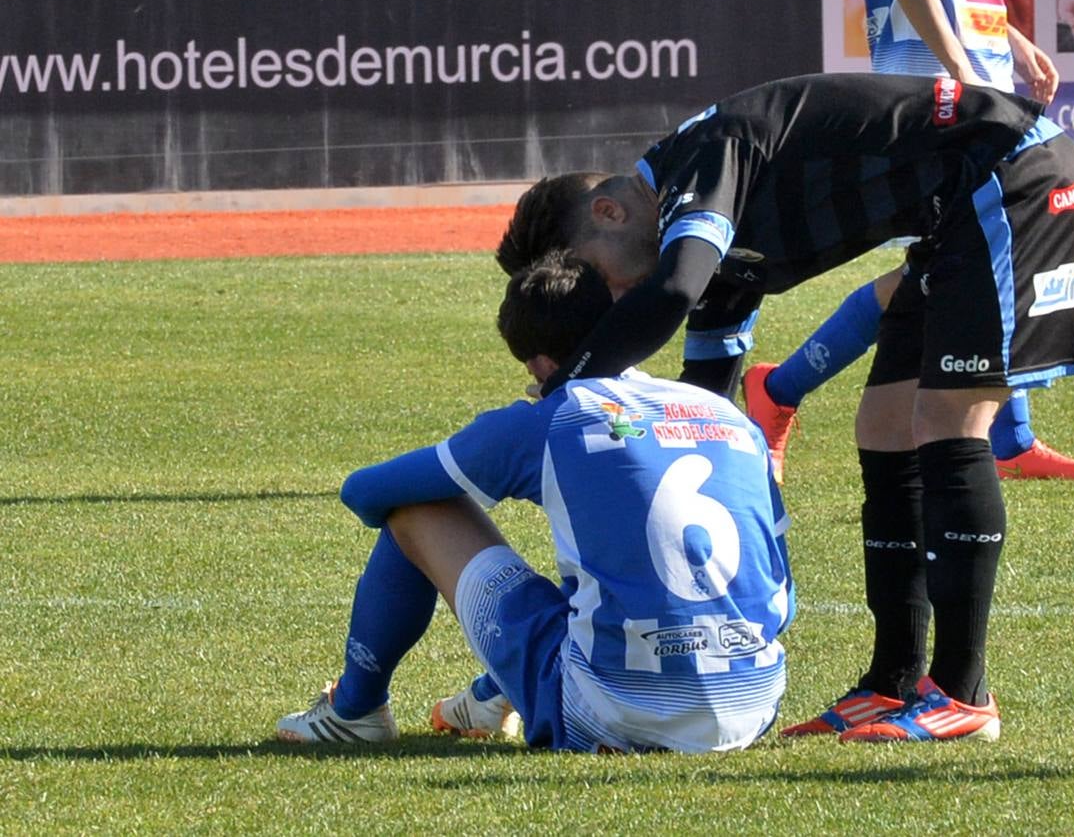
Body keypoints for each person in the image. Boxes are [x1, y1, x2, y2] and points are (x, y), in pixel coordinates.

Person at [494, 71, 1074, 743]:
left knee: (948, 419)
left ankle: (963, 693)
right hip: (949, 215)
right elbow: (702, 403)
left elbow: (669, 293)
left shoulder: (698, 162)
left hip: (1011, 175)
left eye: (603, 277)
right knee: (884, 426)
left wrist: (562, 393)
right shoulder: (705, 245)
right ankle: (891, 680)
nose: (615, 297)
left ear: (608, 212)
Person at [276, 251, 794, 753]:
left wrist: (511, 436)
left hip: (614, 713)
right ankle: (487, 697)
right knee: (603, 590)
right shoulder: (725, 414)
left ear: (541, 363)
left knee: (418, 506)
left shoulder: (552, 417)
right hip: (752, 705)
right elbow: (783, 603)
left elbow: (365, 492)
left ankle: (355, 711)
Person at [742, 0, 1074, 487]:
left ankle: (781, 391)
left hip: (976, 83)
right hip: (942, 90)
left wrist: (1010, 42)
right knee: (984, 251)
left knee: (961, 261)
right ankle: (779, 390)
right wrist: (961, 69)